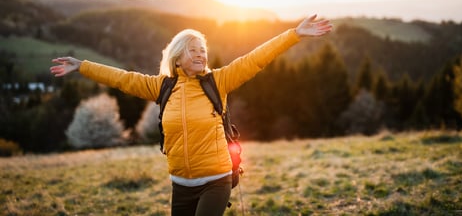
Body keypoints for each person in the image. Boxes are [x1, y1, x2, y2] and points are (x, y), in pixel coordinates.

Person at [50, 14, 333, 216]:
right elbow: (122, 79)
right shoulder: (162, 87)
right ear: (177, 57)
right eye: (193, 50)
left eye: (203, 51)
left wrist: (294, 34)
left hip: (216, 180)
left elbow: (256, 58)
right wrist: (82, 66)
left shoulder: (218, 82)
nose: (201, 55)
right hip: (181, 184)